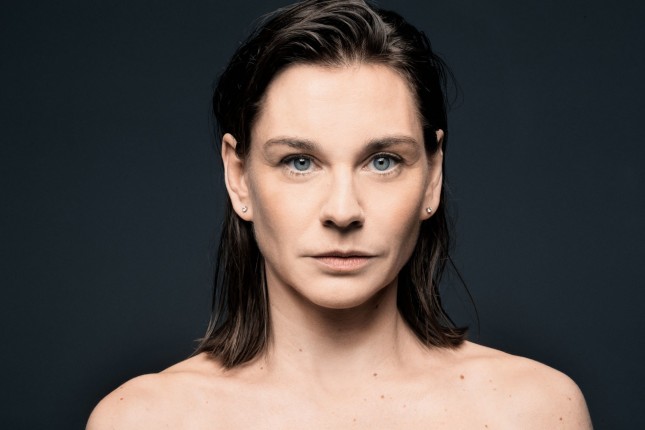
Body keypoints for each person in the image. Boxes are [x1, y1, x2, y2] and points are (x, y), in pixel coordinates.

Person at [87, 0, 593, 428]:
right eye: (299, 162)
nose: (343, 211)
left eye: (382, 161)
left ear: (432, 175)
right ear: (238, 177)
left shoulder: (534, 412)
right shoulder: (143, 420)